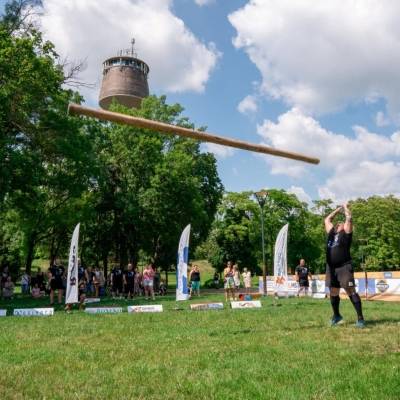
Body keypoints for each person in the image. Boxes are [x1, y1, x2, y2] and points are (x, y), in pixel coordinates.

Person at [325, 203, 365, 328]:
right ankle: (337, 316)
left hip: (344, 267)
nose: (339, 223)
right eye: (337, 224)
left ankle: (360, 318)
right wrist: (337, 210)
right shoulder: (331, 234)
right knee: (333, 291)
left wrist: (345, 207)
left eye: (341, 223)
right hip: (331, 268)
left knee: (350, 290)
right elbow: (327, 219)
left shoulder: (346, 233)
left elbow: (349, 218)